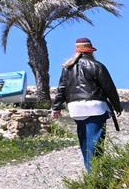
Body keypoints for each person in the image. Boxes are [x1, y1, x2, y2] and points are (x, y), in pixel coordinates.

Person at [52, 37, 122, 171]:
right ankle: (95, 173)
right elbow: (109, 88)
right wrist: (117, 105)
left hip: (75, 109)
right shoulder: (97, 65)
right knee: (95, 141)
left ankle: (90, 171)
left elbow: (61, 88)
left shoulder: (67, 68)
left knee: (84, 142)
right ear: (91, 51)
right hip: (96, 107)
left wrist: (56, 108)